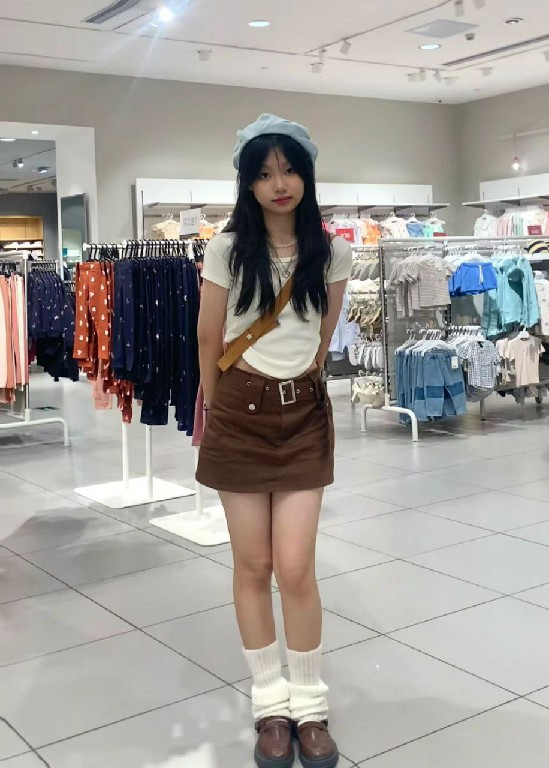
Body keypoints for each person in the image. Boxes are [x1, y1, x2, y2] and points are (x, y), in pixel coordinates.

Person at [196, 113, 352, 768]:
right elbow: (208, 336)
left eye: (288, 170)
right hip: (239, 409)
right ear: (248, 184)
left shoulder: (332, 251)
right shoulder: (228, 248)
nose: (278, 183)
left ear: (306, 174)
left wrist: (301, 390)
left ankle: (310, 705)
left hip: (302, 414)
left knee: (295, 568)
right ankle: (270, 706)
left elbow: (323, 337)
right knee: (253, 566)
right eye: (263, 174)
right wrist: (216, 411)